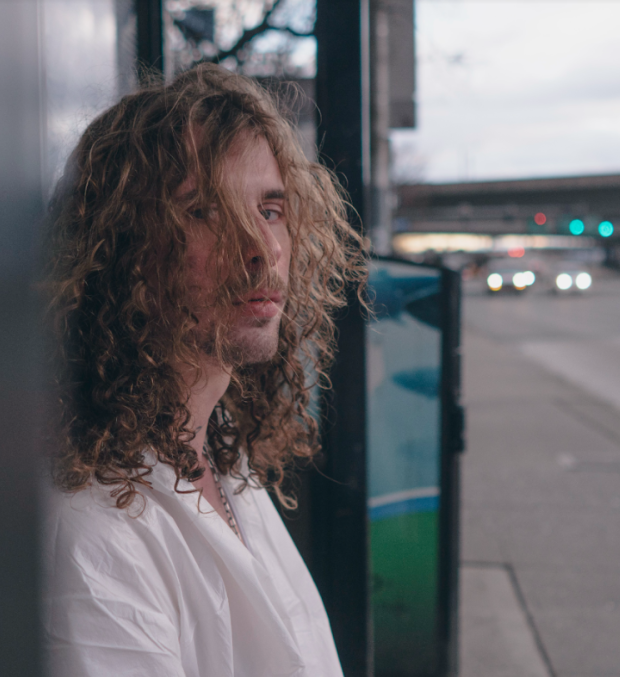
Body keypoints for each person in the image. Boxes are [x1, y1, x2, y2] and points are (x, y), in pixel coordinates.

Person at [41, 64, 368, 677]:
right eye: (205, 211)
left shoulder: (220, 456)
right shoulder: (92, 529)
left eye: (271, 209)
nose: (263, 248)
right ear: (120, 248)